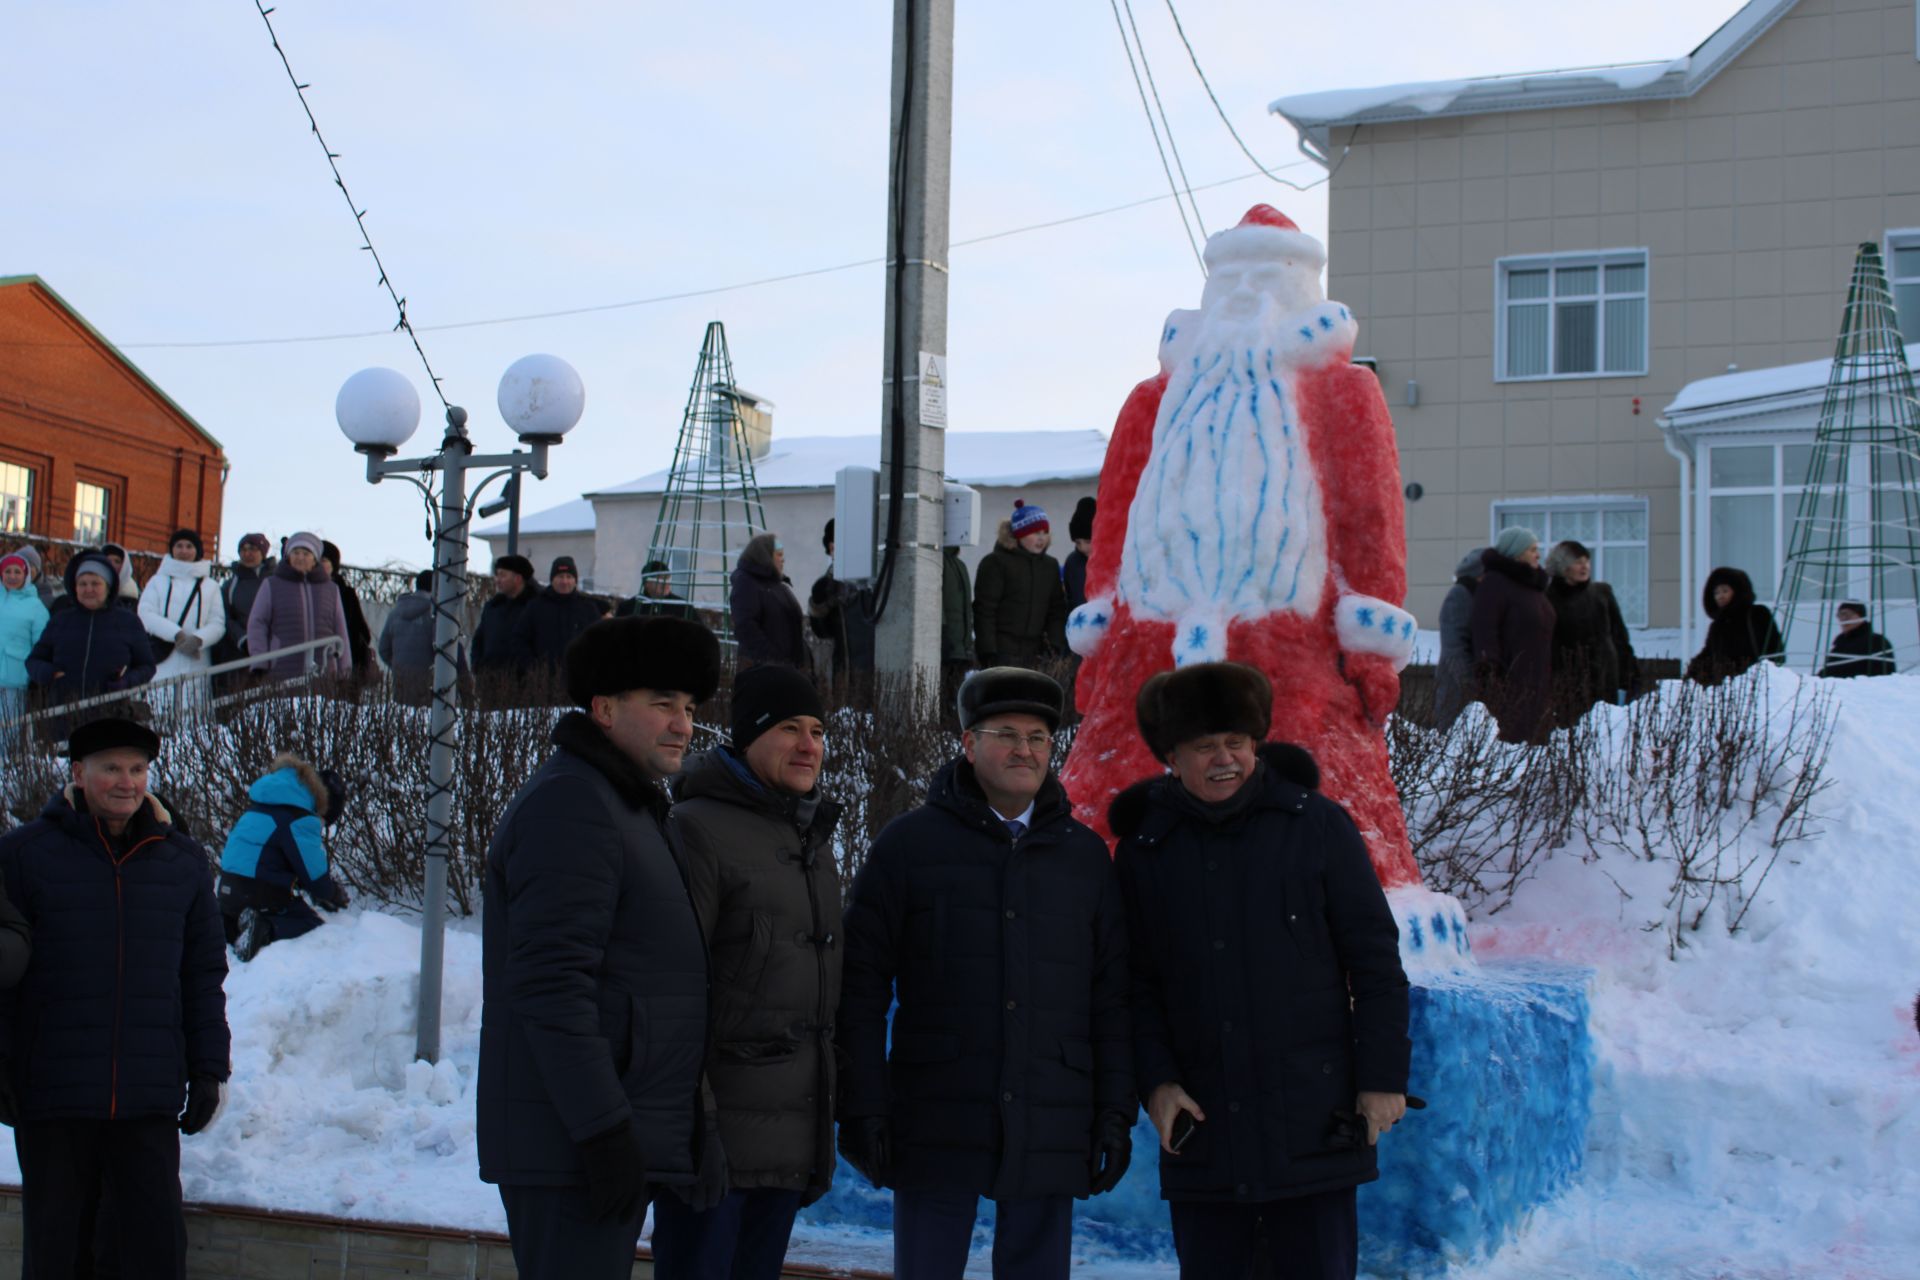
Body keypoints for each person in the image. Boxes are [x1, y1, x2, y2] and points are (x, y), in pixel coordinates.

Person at [1111, 662, 1411, 1280]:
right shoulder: (1146, 849)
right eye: (1204, 746)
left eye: (1236, 743)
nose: (1224, 759)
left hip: (1314, 1123)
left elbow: (1375, 961)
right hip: (1204, 1128)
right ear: (1171, 755)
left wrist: (1382, 1077)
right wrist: (1156, 1082)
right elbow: (1133, 985)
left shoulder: (1317, 826)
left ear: (1256, 745)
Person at [837, 667, 1132, 1280]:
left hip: (1053, 1113)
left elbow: (1111, 996)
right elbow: (860, 987)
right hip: (936, 1114)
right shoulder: (909, 846)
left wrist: (1113, 1114)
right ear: (969, 744)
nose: (1024, 749)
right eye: (1006, 733)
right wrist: (863, 1106)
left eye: (1039, 737)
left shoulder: (1084, 859)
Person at [478, 615, 727, 1276]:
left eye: (690, 707)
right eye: (663, 704)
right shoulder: (573, 805)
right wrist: (602, 1131)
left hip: (598, 1139)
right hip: (572, 1148)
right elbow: (550, 984)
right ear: (605, 708)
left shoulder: (628, 804)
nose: (683, 724)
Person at [0, 716, 231, 1279]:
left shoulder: (182, 862)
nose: (127, 781)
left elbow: (202, 973)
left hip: (146, 1098)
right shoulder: (23, 855)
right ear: (78, 774)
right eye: (110, 768)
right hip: (54, 1097)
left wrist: (208, 1069)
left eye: (137, 769)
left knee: (150, 1253)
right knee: (58, 1255)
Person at [654, 664, 843, 1279]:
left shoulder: (810, 838)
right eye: (790, 728)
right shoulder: (698, 829)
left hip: (785, 1142)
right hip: (715, 1145)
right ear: (747, 736)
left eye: (816, 729)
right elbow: (674, 992)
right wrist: (693, 1129)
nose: (808, 744)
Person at [215, 755, 351, 961]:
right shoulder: (300, 818)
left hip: (227, 888)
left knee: (235, 918)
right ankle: (265, 928)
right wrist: (333, 894)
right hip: (258, 892)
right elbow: (317, 880)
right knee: (310, 924)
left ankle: (228, 925)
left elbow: (270, 857)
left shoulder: (261, 805)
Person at [25, 553, 157, 706]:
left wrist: (126, 682)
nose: (88, 589)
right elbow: (34, 661)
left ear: (108, 586)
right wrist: (49, 673)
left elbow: (147, 666)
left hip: (110, 712)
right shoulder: (61, 620)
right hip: (63, 712)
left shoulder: (128, 621)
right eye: (82, 584)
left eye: (95, 583)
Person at [1469, 527, 1556, 744]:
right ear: (1517, 552)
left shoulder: (1532, 586)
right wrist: (1493, 678)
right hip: (1512, 682)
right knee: (1515, 745)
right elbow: (1485, 630)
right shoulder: (1495, 584)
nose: (1538, 554)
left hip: (1539, 681)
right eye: (1532, 549)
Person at [1544, 539, 1637, 723]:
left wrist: (1629, 675)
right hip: (1568, 684)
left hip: (1605, 679)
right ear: (1563, 566)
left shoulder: (1601, 594)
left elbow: (1620, 639)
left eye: (1586, 561)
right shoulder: (1548, 599)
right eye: (1578, 561)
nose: (1584, 566)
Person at [972, 501, 1068, 670]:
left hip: (1037, 655)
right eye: (1035, 532)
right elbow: (984, 610)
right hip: (1002, 652)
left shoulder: (1050, 566)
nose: (1041, 538)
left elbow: (1056, 611)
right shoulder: (995, 563)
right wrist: (988, 651)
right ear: (1020, 535)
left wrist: (1054, 646)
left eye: (1045, 532)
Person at [245, 532, 350, 682]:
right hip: (281, 666)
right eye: (296, 552)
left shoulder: (330, 589)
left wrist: (344, 669)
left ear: (315, 559)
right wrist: (260, 661)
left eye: (306, 553)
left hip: (324, 668)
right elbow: (257, 623)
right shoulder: (272, 584)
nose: (300, 557)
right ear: (288, 556)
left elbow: (340, 629)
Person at [137, 528, 226, 685]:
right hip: (163, 657)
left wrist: (198, 640)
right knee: (160, 704)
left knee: (192, 707)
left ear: (197, 550)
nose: (183, 551)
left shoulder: (211, 586)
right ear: (172, 549)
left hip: (197, 660)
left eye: (189, 546)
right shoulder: (158, 581)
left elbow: (217, 622)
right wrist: (177, 635)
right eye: (179, 545)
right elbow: (145, 613)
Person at [514, 556, 610, 693]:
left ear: (575, 580)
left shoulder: (588, 608)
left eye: (569, 576)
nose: (564, 581)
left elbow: (599, 643)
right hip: (542, 685)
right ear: (552, 579)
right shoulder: (535, 607)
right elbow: (519, 639)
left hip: (579, 684)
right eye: (560, 576)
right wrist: (533, 668)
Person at [1684, 567, 1785, 687]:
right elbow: (1709, 654)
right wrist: (1691, 675)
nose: (1720, 596)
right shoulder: (1717, 626)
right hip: (1726, 691)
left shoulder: (1757, 614)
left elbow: (1775, 649)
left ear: (1737, 591)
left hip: (1756, 686)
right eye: (1716, 593)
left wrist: (1766, 675)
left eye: (1725, 591)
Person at [807, 519, 876, 683]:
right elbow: (822, 632)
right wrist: (818, 604)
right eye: (831, 547)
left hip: (876, 669)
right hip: (846, 673)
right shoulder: (829, 585)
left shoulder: (871, 579)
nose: (834, 551)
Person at [730, 533, 807, 670]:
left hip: (788, 672)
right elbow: (746, 628)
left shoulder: (779, 586)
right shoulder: (747, 584)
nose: (783, 560)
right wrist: (774, 661)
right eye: (779, 554)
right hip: (764, 673)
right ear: (764, 557)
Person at [1432, 547, 1486, 731]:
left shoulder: (1476, 595)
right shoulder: (1460, 595)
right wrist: (1470, 684)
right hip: (1456, 688)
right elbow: (1453, 646)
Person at [211, 532, 275, 674]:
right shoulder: (230, 584)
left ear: (263, 553)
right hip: (240, 650)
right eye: (243, 550)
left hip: (272, 647)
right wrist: (243, 638)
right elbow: (225, 615)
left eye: (252, 549)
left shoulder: (274, 580)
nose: (247, 554)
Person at [1, 550, 50, 720]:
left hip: (15, 680)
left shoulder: (35, 606)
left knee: (8, 731)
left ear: (26, 575)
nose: (12, 576)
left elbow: (41, 644)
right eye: (8, 571)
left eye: (17, 572)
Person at [472, 554, 538, 681]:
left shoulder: (535, 608)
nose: (497, 580)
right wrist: (478, 666)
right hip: (491, 684)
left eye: (502, 575)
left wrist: (531, 671)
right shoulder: (493, 607)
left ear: (518, 578)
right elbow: (478, 640)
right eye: (497, 575)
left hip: (524, 685)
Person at [320, 541, 376, 681]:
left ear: (333, 565)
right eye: (317, 560)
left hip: (346, 656)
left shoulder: (346, 593)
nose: (320, 565)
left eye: (324, 560)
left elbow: (361, 629)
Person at [941, 545, 975, 718]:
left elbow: (965, 609)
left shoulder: (959, 565)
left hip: (959, 648)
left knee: (954, 702)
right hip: (946, 646)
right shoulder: (937, 562)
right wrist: (943, 633)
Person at [1818, 601, 1895, 678]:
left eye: (1847, 615)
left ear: (1861, 616)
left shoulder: (1876, 641)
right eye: (1840, 615)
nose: (1843, 619)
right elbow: (1830, 670)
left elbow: (1883, 674)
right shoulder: (1839, 644)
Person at [616, 560, 695, 620]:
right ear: (647, 583)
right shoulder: (628, 608)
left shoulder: (683, 607)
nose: (666, 583)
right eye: (660, 579)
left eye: (667, 579)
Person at [1062, 497, 1096, 615]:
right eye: (1078, 542)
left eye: (1088, 541)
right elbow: (1069, 599)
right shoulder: (1072, 562)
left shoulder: (1115, 560)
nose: (1083, 548)